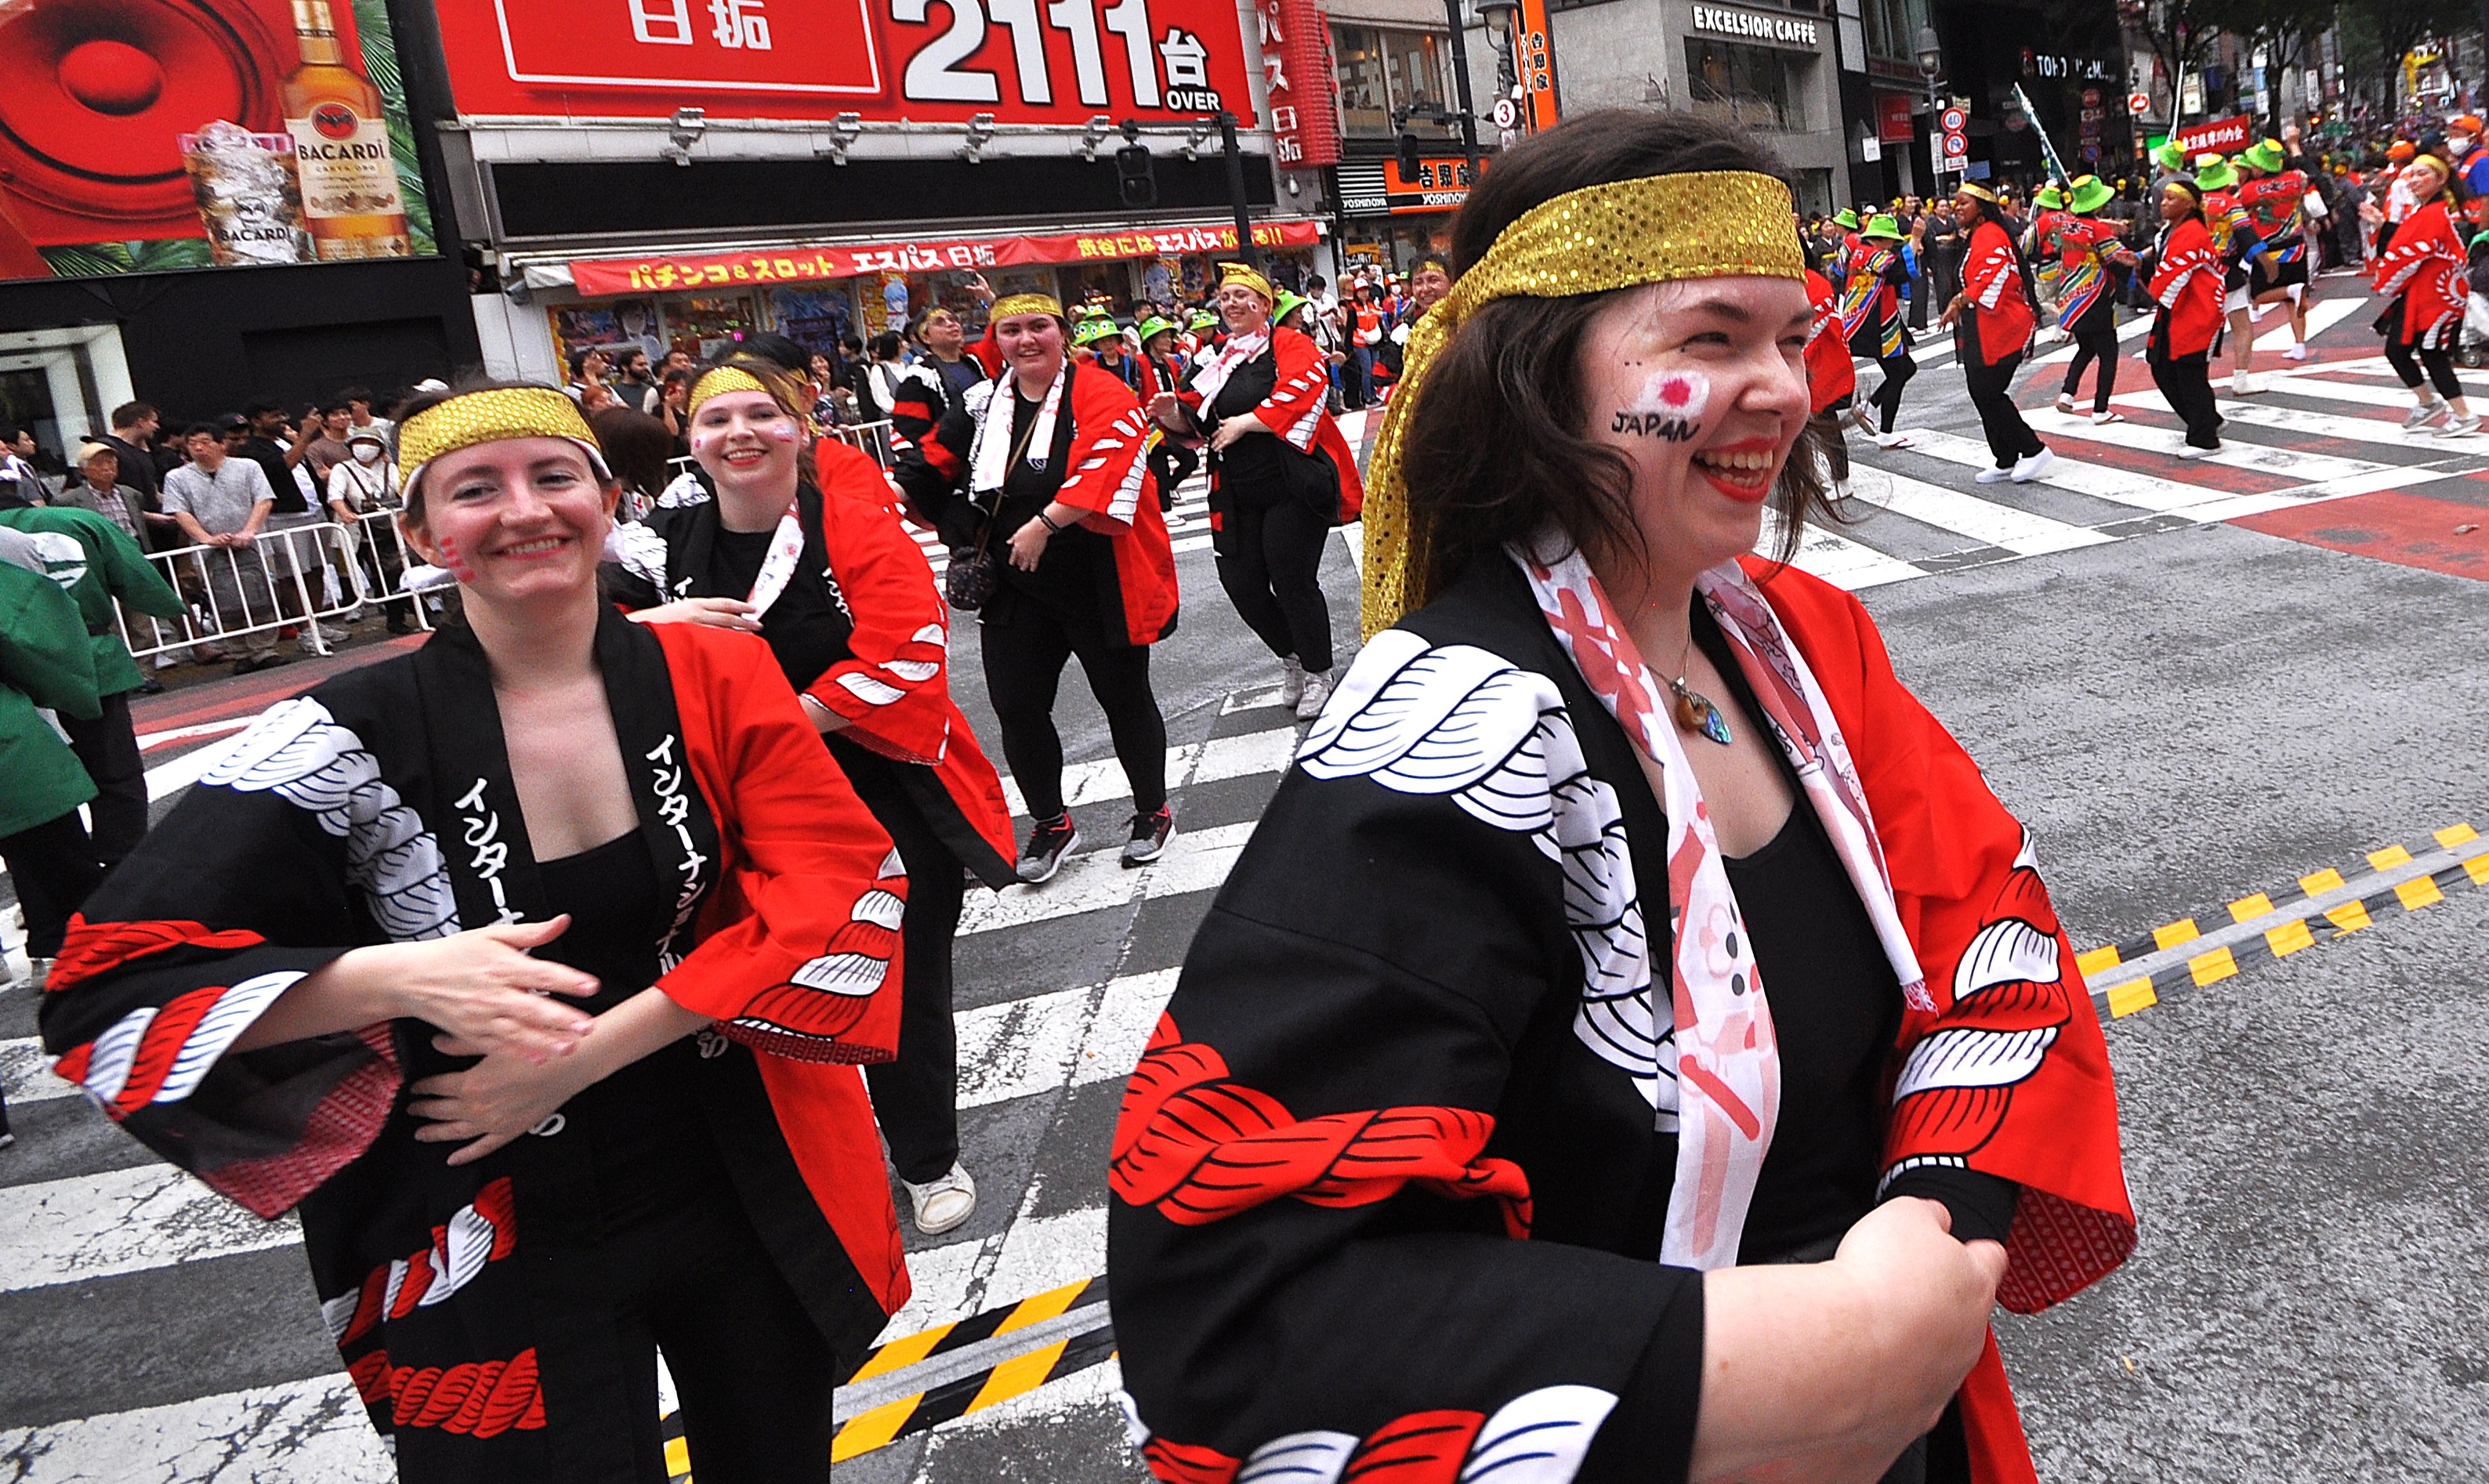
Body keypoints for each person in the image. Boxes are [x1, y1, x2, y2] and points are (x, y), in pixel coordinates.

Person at [1110, 109, 2133, 1484]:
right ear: (1540, 373)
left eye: (1786, 335)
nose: (1780, 383)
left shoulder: (1795, 634)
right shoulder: (1453, 721)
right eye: (1709, 339)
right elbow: (1243, 1303)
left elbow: (1994, 931)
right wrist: (1804, 1350)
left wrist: (1926, 1223)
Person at [40, 382, 917, 1483]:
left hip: (737, 1170)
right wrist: (396, 975)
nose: (524, 510)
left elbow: (842, 885)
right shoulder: (341, 731)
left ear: (608, 501)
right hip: (484, 1205)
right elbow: (105, 984)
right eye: (475, 489)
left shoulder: (713, 670)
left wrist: (587, 1053)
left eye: (554, 477)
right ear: (420, 533)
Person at [607, 358, 1018, 1236]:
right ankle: (789, 1165)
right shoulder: (660, 539)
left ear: (801, 428)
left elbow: (907, 658)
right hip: (734, 802)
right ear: (691, 441)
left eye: (762, 414)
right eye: (717, 420)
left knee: (900, 982)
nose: (740, 433)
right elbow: (572, 644)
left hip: (874, 790)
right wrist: (654, 625)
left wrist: (769, 721)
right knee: (750, 982)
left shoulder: (855, 524)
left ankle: (926, 1157)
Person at [891, 292, 1180, 881]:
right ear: (995, 341)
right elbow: (929, 464)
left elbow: (1108, 461)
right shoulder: (980, 402)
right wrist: (898, 507)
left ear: (1061, 334)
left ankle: (1152, 810)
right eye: (1011, 330)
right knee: (1017, 707)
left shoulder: (1099, 391)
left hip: (1094, 570)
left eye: (1038, 328)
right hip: (1014, 580)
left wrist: (1045, 524)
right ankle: (1051, 824)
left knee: (1123, 699)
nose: (1026, 340)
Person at [1154, 263, 1364, 722]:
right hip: (1234, 486)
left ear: (1265, 306)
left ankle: (1318, 671)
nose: (1230, 304)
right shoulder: (1218, 356)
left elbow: (1306, 386)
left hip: (1290, 482)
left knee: (1290, 578)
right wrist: (1171, 413)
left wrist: (1248, 422)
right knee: (1241, 582)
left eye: (1241, 296)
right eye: (1225, 297)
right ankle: (1290, 656)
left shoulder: (1289, 344)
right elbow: (1196, 414)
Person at [0, 498, 184, 867]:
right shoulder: (80, 520)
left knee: (34, 787)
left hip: (13, 672)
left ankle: (58, 882)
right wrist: (174, 610)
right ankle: (122, 865)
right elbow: (139, 580)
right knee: (115, 774)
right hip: (90, 658)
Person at [0, 529, 102, 983]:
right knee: (48, 847)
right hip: (9, 739)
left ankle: (55, 949)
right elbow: (30, 641)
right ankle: (61, 948)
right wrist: (74, 697)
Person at [1940, 183, 2051, 483]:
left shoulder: (1990, 234)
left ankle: (2034, 449)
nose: (1956, 208)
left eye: (1964, 203)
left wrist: (1960, 299)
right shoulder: (1978, 236)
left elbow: (1995, 276)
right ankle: (2005, 458)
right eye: (1956, 203)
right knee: (1981, 392)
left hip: (2004, 326)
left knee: (1988, 392)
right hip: (1985, 326)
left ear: (1981, 206)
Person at [161, 423, 286, 673]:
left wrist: (249, 530)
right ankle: (240, 651)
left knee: (262, 594)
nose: (198, 447)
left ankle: (265, 649)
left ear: (222, 444)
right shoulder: (176, 477)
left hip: (253, 542)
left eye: (205, 441)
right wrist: (205, 538)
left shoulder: (248, 467)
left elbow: (264, 500)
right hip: (209, 548)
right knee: (224, 600)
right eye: (193, 443)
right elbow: (180, 512)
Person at [2371, 153, 2481, 435]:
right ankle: (2427, 402)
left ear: (2441, 178)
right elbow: (2405, 244)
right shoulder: (2426, 211)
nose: (2415, 180)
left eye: (2423, 174)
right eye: (2413, 175)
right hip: (2423, 290)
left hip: (2437, 293)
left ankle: (2464, 415)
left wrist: (2385, 281)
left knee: (2431, 352)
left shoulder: (2438, 211)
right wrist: (2382, 226)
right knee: (2397, 349)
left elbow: (2406, 253)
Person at [2143, 176, 2226, 457]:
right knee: (2162, 366)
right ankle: (2206, 420)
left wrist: (2155, 292)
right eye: (2163, 198)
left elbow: (2174, 277)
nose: (2164, 203)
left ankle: (2205, 438)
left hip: (2197, 311)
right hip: (2176, 310)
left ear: (2189, 204)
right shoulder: (2170, 231)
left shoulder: (2192, 233)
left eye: (2171, 199)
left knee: (2190, 374)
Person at [2049, 176, 2139, 423]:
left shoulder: (2068, 225)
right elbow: (2118, 258)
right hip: (2095, 297)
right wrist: (2142, 257)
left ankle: (2068, 393)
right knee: (2109, 353)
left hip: (2072, 298)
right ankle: (2100, 409)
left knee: (2086, 347)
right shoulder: (2099, 230)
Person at [2190, 156, 2276, 396]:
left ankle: (2199, 381)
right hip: (2227, 273)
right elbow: (2246, 234)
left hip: (2198, 274)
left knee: (2203, 331)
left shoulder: (2193, 205)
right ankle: (2240, 379)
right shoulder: (2230, 204)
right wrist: (2266, 261)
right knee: (2242, 327)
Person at [326, 427, 416, 633]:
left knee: (394, 571)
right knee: (375, 574)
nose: (365, 447)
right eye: (361, 442)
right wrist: (346, 513)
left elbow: (404, 490)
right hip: (361, 532)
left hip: (390, 530)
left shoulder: (388, 468)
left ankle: (400, 617)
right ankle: (392, 614)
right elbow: (335, 497)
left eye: (372, 443)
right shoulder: (343, 469)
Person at [1841, 214, 1918, 449]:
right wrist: (1915, 240)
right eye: (1890, 241)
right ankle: (1883, 430)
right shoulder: (1874, 255)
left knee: (1905, 369)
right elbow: (1902, 271)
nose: (1892, 246)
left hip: (1870, 322)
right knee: (1900, 372)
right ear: (1882, 239)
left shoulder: (1861, 253)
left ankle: (1869, 409)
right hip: (1876, 325)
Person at [2237, 139, 2315, 362]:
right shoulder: (2297, 179)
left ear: (2260, 167)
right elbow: (2307, 169)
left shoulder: (2249, 190)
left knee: (2258, 294)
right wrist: (2294, 145)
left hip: (2268, 250)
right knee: (2294, 300)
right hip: (2296, 245)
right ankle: (2300, 345)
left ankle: (2292, 291)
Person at [1802, 241, 1857, 491]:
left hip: (1821, 364)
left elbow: (1815, 324)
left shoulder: (1814, 281)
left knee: (1825, 423)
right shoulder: (1790, 281)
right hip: (1800, 364)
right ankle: (1809, 475)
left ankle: (1841, 479)